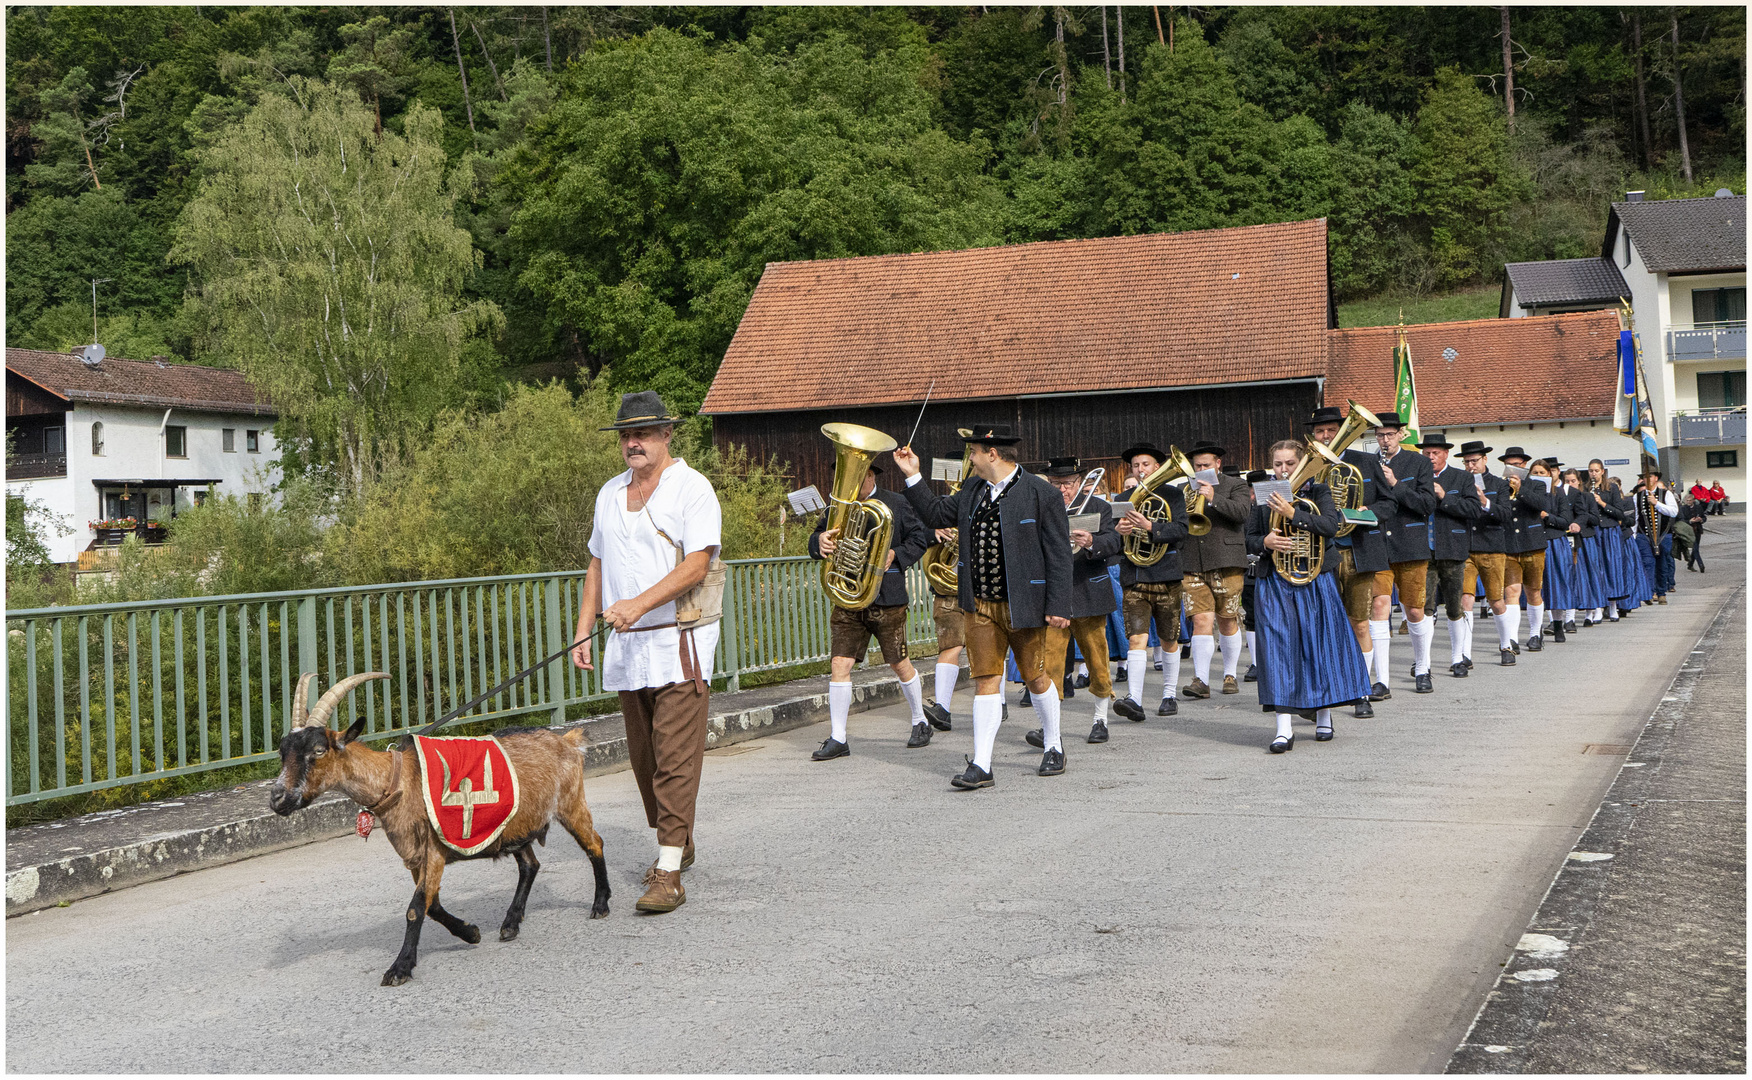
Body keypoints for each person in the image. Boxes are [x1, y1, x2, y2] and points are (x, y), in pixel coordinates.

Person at [573, 391, 722, 915]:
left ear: (666, 436)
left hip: (679, 639)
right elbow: (596, 561)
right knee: (644, 761)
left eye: (643, 433)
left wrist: (638, 603)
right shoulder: (609, 493)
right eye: (625, 435)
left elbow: (698, 565)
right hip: (628, 646)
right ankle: (678, 840)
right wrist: (583, 628)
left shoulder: (693, 488)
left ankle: (669, 875)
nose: (632, 443)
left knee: (674, 759)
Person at [893, 425, 1073, 788]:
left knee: (1036, 676)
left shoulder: (1042, 494)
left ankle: (1053, 744)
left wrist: (1059, 604)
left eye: (973, 452)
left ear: (993, 453)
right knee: (986, 679)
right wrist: (912, 474)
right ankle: (982, 763)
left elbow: (1058, 554)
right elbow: (935, 513)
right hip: (979, 605)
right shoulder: (972, 490)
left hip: (1025, 604)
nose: (970, 459)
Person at [1246, 439, 1372, 751]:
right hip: (1275, 580)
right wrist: (1265, 542)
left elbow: (1331, 525)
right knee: (1277, 651)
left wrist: (1292, 513)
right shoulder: (1264, 493)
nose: (1283, 469)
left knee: (1320, 645)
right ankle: (1283, 727)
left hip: (1315, 578)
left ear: (1301, 463)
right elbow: (1247, 538)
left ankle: (1324, 715)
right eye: (1278, 464)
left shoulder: (1319, 491)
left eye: (1289, 463)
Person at [807, 461, 932, 760]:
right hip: (848, 596)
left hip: (886, 596)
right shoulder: (837, 507)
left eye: (854, 475)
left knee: (899, 662)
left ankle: (920, 720)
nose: (847, 483)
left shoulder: (896, 502)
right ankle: (839, 737)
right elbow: (816, 538)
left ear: (870, 475)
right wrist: (819, 541)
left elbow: (919, 540)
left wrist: (895, 554)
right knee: (840, 663)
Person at [1028, 457, 1124, 746]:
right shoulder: (1041, 508)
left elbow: (1114, 543)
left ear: (1079, 482)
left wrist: (1092, 542)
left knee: (1097, 658)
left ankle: (1100, 719)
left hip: (1089, 590)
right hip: (1055, 596)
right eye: (1056, 484)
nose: (1062, 490)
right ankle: (1049, 728)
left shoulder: (1099, 507)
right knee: (1051, 663)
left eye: (1067, 484)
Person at [1310, 406, 1389, 717]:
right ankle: (1328, 686)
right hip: (1320, 554)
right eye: (1320, 431)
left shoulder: (1367, 462)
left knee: (1358, 624)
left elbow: (1389, 504)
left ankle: (1361, 689)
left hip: (1358, 551)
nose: (1327, 436)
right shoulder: (1309, 464)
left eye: (1332, 430)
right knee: (1324, 625)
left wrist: (1362, 512)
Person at [1109, 443, 1192, 721]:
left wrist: (1149, 527)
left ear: (1157, 467)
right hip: (1134, 575)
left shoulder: (1173, 495)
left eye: (1145, 464)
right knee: (1136, 638)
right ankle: (1134, 698)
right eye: (1135, 465)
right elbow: (1111, 542)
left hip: (1167, 574)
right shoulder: (1123, 497)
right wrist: (1119, 532)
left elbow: (1181, 531)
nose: (1140, 469)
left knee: (1169, 638)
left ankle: (1169, 694)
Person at [1366, 412, 1438, 694]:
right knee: (1379, 606)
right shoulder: (1368, 463)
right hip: (1378, 544)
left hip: (1410, 545)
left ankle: (1423, 667)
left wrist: (1395, 483)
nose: (1385, 440)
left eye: (1390, 435)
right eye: (1380, 435)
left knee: (1415, 610)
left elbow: (1426, 505)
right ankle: (1381, 680)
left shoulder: (1419, 462)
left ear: (1401, 435)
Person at [1177, 441, 1253, 700]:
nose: (1201, 469)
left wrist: (1213, 497)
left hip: (1226, 559)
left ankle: (1229, 674)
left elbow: (1243, 513)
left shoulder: (1236, 485)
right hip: (1192, 561)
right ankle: (1201, 679)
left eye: (1206, 465)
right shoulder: (1184, 488)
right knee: (1200, 620)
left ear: (1218, 464)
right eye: (1197, 466)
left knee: (1227, 619)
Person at [1420, 436, 1486, 674]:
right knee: (1424, 607)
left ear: (1446, 454)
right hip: (1423, 551)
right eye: (1427, 453)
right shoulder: (1418, 476)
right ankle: (1423, 662)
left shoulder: (1462, 477)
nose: (1430, 458)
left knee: (1455, 607)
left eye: (1435, 453)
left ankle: (1458, 657)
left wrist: (1444, 497)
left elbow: (1474, 510)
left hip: (1453, 549)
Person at [1493, 447, 1553, 649]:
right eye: (1509, 465)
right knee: (1511, 591)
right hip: (1509, 545)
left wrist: (1520, 490)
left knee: (1534, 591)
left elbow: (1541, 505)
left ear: (1525, 466)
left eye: (1517, 465)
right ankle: (1512, 638)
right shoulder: (1499, 486)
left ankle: (1536, 633)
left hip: (1533, 543)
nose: (1513, 469)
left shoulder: (1536, 484)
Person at [1533, 459, 1577, 641]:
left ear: (1549, 475)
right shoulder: (1526, 493)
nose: (1538, 476)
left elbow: (1565, 520)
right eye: (1534, 473)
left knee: (1557, 584)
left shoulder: (1558, 493)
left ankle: (1558, 624)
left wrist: (1547, 516)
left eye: (1542, 473)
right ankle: (1537, 628)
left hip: (1554, 542)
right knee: (1536, 587)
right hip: (1534, 542)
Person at [1559, 468, 1608, 626]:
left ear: (1579, 481)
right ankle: (1573, 613)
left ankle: (1595, 609)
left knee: (1591, 574)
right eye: (1567, 481)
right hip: (1568, 539)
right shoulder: (1560, 496)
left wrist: (1581, 520)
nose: (1570, 484)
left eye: (1573, 481)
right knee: (1572, 576)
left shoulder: (1586, 497)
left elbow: (1595, 519)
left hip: (1585, 539)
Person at [1587, 460, 1633, 623]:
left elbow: (1620, 513)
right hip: (1594, 531)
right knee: (1596, 569)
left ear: (1602, 472)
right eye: (1591, 471)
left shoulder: (1612, 488)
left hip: (1610, 531)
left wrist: (1602, 503)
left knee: (1612, 568)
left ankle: (1613, 606)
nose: (1593, 474)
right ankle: (1598, 608)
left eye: (1596, 471)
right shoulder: (1586, 489)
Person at [1630, 468, 1679, 602]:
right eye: (1645, 477)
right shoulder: (1637, 496)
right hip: (1644, 535)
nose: (1648, 479)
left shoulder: (1666, 494)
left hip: (1663, 534)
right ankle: (1650, 592)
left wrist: (1657, 504)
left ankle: (1661, 591)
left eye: (1650, 476)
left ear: (1656, 478)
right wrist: (1634, 534)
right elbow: (1636, 517)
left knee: (1662, 563)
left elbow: (1674, 512)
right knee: (1647, 563)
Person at [1680, 495, 1707, 572]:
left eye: (1690, 500)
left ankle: (1690, 564)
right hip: (1688, 531)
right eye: (1687, 500)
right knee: (1695, 547)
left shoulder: (1698, 507)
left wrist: (1701, 520)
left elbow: (1704, 517)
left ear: (1693, 500)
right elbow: (1681, 520)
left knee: (1696, 547)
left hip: (1697, 530)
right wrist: (1690, 521)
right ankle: (1701, 565)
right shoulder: (1683, 509)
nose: (1688, 502)